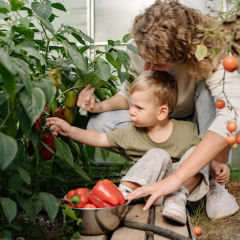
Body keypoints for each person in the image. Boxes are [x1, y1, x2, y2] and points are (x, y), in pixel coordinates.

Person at [77, 0, 240, 220]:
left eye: (156, 63)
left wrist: (177, 180)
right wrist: (100, 106)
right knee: (99, 122)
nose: (146, 68)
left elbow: (232, 114)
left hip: (198, 124)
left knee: (216, 96)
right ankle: (159, 171)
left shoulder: (213, 50)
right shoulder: (142, 45)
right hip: (159, 123)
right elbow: (129, 95)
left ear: (183, 54)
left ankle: (210, 181)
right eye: (145, 59)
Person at [48, 71, 215, 225]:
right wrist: (70, 131)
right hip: (148, 190)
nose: (131, 112)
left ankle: (176, 199)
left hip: (182, 190)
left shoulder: (187, 130)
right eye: (132, 105)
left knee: (198, 153)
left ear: (162, 112)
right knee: (158, 154)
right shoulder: (130, 132)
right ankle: (122, 195)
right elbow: (98, 138)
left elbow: (205, 155)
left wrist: (217, 165)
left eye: (139, 108)